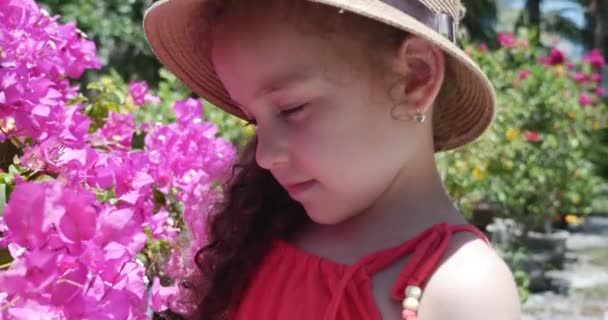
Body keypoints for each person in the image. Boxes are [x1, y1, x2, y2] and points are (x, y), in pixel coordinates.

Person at [143, 0, 522, 319]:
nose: (265, 155)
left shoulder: (460, 286)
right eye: (252, 119)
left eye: (292, 109)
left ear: (416, 78)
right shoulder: (270, 233)